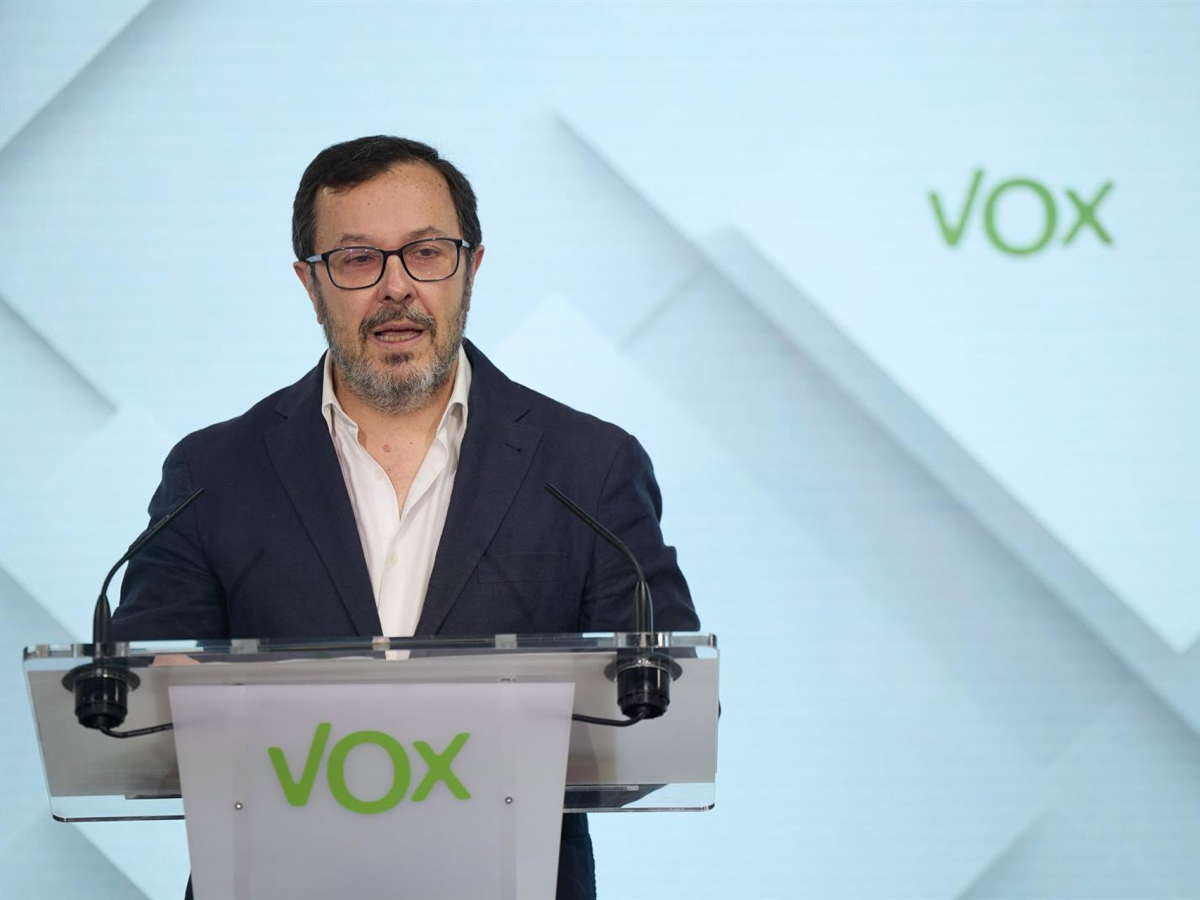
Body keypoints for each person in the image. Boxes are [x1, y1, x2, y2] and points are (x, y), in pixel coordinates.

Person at [111, 135, 699, 899]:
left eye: (426, 253)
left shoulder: (589, 467)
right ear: (310, 283)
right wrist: (167, 695)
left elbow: (669, 710)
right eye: (358, 259)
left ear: (471, 268)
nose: (397, 287)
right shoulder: (212, 473)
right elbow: (128, 712)